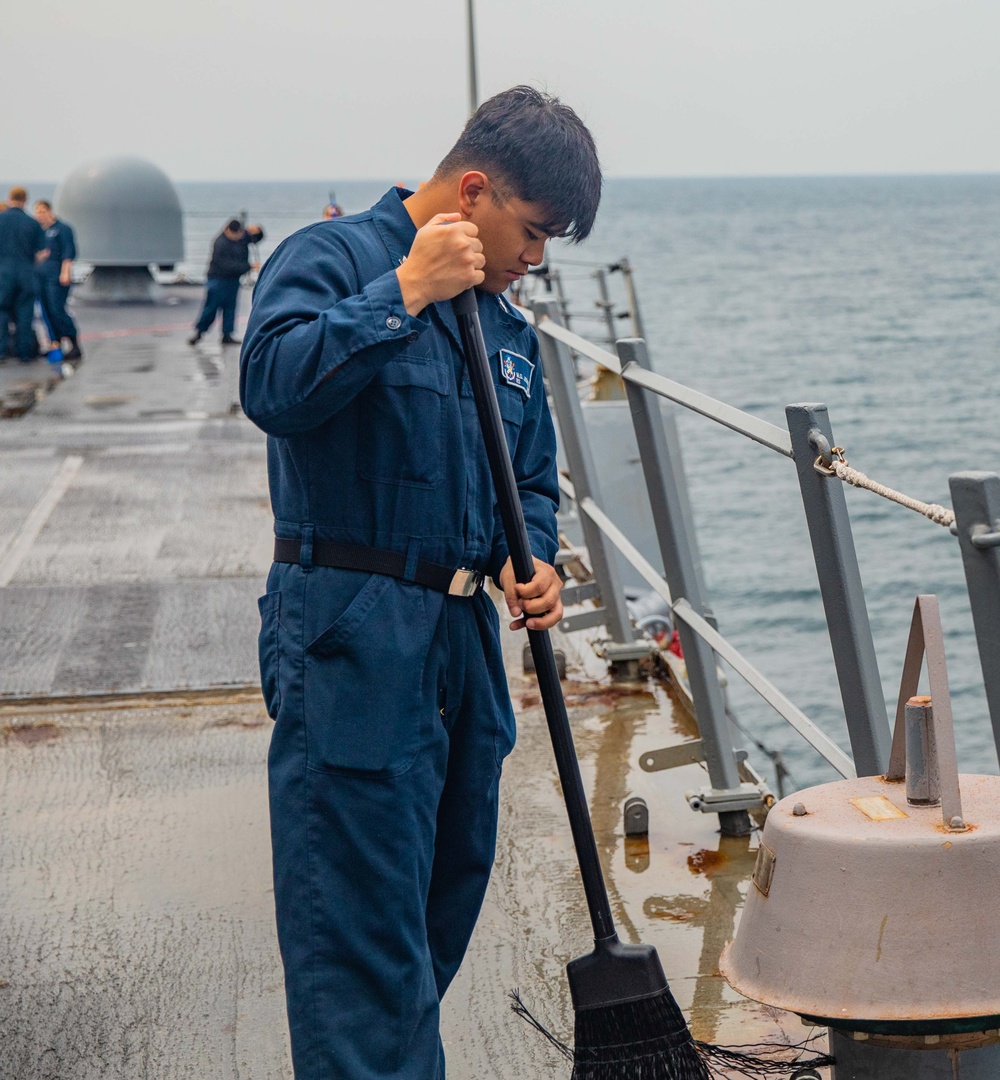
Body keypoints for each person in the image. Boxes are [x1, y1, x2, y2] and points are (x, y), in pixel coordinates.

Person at [240, 85, 601, 1080]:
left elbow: (527, 478)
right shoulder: (335, 259)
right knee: (358, 953)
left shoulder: (507, 329)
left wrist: (531, 558)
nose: (536, 259)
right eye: (533, 232)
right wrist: (401, 292)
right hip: (354, 636)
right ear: (474, 188)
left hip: (460, 655)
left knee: (431, 921)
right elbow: (272, 386)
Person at [188, 218, 264, 346]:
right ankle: (199, 333)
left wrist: (258, 230)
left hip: (233, 280)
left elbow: (255, 239)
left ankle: (227, 335)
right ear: (228, 231)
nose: (237, 237)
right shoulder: (220, 243)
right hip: (218, 279)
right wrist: (249, 267)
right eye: (235, 235)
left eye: (239, 234)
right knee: (211, 307)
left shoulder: (241, 236)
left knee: (230, 307)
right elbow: (227, 266)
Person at [0, 187, 48, 361]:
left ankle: (1, 351)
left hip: (3, 273)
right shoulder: (32, 223)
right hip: (26, 273)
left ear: (10, 198)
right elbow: (42, 253)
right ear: (25, 200)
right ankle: (25, 353)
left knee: (2, 311)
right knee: (25, 313)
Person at [34, 200, 83, 361]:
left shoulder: (62, 229)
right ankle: (55, 343)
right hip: (41, 276)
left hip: (56, 276)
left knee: (57, 309)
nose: (39, 215)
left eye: (42, 212)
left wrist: (65, 272)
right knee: (45, 311)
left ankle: (73, 342)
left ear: (49, 211)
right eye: (37, 212)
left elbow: (68, 253)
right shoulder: (40, 231)